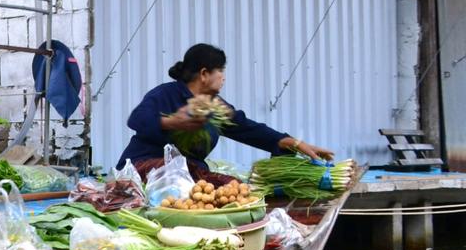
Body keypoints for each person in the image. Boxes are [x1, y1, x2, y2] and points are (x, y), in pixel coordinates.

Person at [117, 43, 334, 183]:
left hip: (186, 175)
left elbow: (249, 128)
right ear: (204, 74)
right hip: (146, 169)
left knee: (234, 187)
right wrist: (173, 122)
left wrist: (293, 143)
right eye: (220, 71)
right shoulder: (166, 94)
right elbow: (137, 119)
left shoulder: (216, 107)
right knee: (212, 180)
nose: (223, 77)